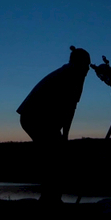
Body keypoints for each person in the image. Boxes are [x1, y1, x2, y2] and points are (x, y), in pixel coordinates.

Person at [17, 46, 91, 204]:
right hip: (35, 118)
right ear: (81, 62)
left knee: (52, 157)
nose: (88, 69)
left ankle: (50, 198)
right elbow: (70, 108)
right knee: (54, 158)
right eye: (87, 64)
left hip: (35, 117)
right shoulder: (75, 73)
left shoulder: (68, 71)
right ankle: (50, 200)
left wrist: (62, 135)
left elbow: (65, 107)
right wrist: (65, 136)